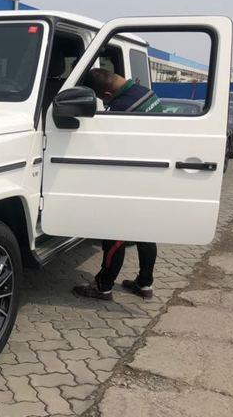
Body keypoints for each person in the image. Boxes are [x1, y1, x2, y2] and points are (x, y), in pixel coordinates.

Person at [72, 68, 162, 301]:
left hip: (129, 181)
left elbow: (108, 149)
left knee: (114, 235)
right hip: (151, 176)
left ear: (107, 95)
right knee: (145, 233)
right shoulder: (148, 93)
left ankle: (103, 287)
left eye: (103, 100)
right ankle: (144, 284)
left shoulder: (121, 109)